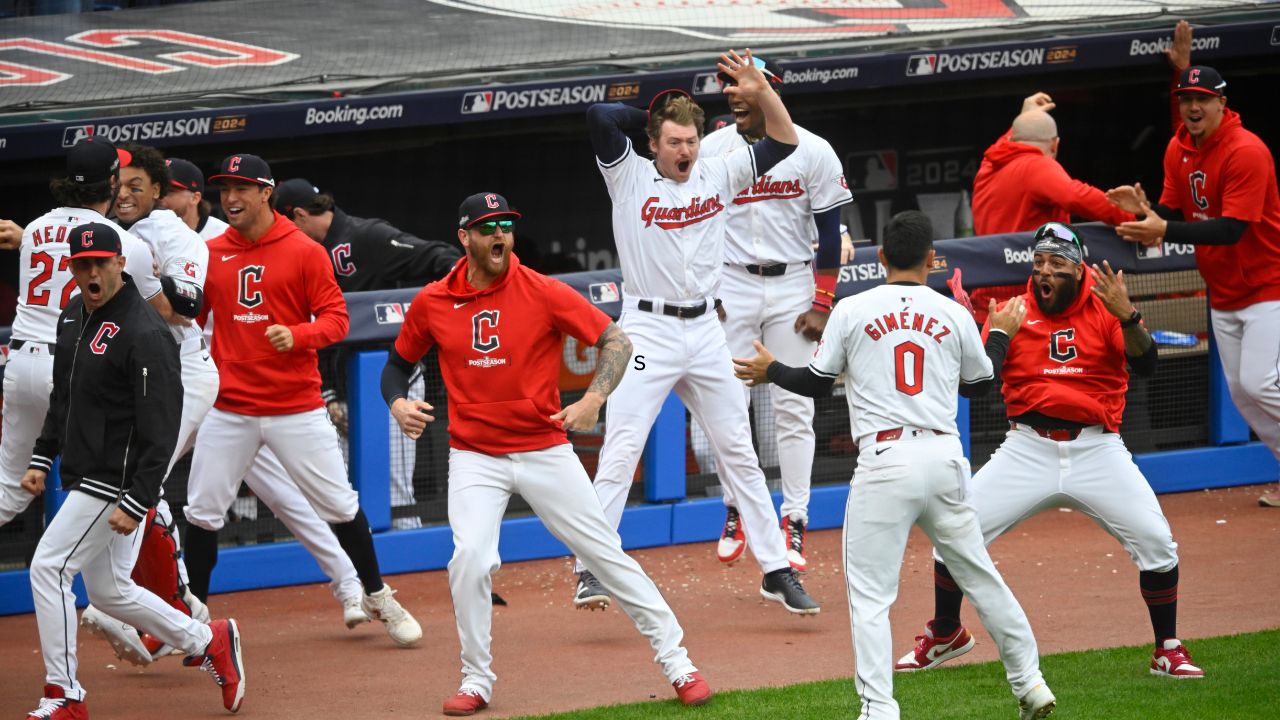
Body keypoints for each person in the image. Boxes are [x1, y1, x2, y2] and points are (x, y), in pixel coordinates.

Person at [382, 192, 710, 715]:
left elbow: (616, 342)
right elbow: (396, 364)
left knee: (603, 552)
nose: (500, 236)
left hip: (543, 445)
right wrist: (398, 403)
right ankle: (476, 679)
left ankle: (679, 662)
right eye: (488, 227)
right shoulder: (433, 301)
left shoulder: (542, 290)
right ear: (464, 237)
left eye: (506, 226)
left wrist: (595, 398)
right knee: (469, 560)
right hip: (475, 454)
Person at [732, 210, 1055, 720]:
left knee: (871, 599)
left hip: (885, 461)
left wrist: (771, 370)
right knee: (981, 577)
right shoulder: (949, 311)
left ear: (880, 257)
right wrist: (1000, 332)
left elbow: (818, 383)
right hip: (945, 458)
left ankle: (879, 710)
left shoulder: (853, 308)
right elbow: (979, 385)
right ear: (932, 258)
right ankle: (1031, 683)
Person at [895, 222, 1204, 680]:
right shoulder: (1014, 311)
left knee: (1158, 543)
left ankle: (1168, 648)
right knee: (953, 534)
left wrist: (1129, 317)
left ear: (1078, 271)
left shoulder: (1105, 306)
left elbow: (1147, 364)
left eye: (1057, 264)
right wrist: (988, 332)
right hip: (1027, 447)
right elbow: (975, 387)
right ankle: (946, 632)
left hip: (1097, 447)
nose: (1045, 272)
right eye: (1039, 262)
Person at [575, 49, 819, 615]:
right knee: (621, 449)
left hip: (707, 329)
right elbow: (597, 115)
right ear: (655, 144)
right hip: (646, 330)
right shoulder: (627, 173)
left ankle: (777, 569)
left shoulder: (720, 169)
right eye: (674, 141)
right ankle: (590, 565)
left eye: (691, 141)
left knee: (739, 451)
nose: (685, 151)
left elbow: (785, 143)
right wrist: (657, 113)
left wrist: (760, 91)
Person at [181, 153, 421, 647]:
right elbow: (188, 316)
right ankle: (192, 623)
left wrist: (298, 334)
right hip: (231, 408)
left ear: (267, 193)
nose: (230, 199)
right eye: (224, 189)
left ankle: (378, 594)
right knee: (202, 512)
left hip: (295, 406)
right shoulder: (211, 252)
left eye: (241, 189)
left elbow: (337, 319)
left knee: (339, 504)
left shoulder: (304, 249)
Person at [21, 221, 244, 719]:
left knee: (49, 567)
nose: (92, 271)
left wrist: (138, 497)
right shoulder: (73, 315)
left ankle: (64, 694)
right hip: (86, 469)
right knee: (110, 590)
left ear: (121, 264)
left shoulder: (145, 332)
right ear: (72, 268)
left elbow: (161, 429)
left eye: (102, 262)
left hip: (116, 481)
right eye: (83, 264)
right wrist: (41, 455)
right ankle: (210, 639)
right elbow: (64, 397)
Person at [694, 55, 852, 571]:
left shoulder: (813, 150)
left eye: (744, 86)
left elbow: (830, 234)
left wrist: (823, 303)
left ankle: (797, 519)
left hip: (792, 285)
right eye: (729, 87)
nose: (733, 94)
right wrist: (707, 287)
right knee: (726, 404)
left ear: (771, 90)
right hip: (732, 284)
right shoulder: (711, 151)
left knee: (794, 407)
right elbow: (691, 225)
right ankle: (736, 506)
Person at [1108, 65, 1280, 508]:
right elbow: (1173, 209)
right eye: (1186, 99)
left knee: (1260, 384)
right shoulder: (1178, 148)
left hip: (1267, 282)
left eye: (1203, 98)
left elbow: (1231, 230)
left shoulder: (1247, 150)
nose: (1194, 106)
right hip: (1222, 289)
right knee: (1243, 395)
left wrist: (1162, 228)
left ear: (1223, 103)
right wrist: (1146, 209)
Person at [273, 177, 463, 529]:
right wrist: (330, 397)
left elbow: (443, 258)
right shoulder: (298, 256)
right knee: (337, 496)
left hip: (390, 379)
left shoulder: (365, 236)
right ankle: (362, 577)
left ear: (298, 215)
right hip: (335, 388)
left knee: (394, 495)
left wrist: (439, 314)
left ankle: (412, 571)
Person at [0, 138, 163, 527]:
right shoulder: (123, 242)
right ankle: (124, 582)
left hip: (20, 365)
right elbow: (166, 313)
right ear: (110, 184)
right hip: (75, 371)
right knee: (112, 480)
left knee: (9, 488)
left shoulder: (35, 228)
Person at [967, 92, 1135, 324]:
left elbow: (1011, 140)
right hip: (1022, 308)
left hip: (988, 304)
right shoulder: (1037, 165)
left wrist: (1025, 116)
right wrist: (1134, 217)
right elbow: (1076, 195)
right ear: (1055, 145)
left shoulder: (990, 163)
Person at [160, 157, 229, 241]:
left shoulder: (222, 235)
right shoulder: (143, 234)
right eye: (156, 190)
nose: (159, 197)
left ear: (195, 198)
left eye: (169, 191)